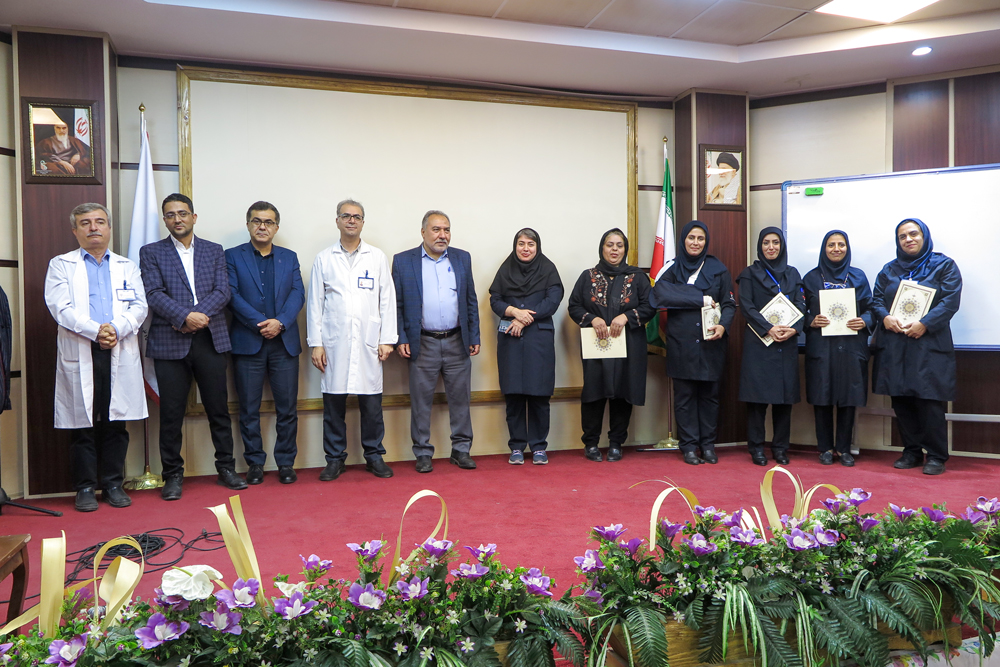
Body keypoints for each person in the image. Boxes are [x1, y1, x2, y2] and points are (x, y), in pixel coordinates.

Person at [141, 193, 247, 501]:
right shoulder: (151, 252)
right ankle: (172, 475)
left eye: (183, 213)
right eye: (171, 214)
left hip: (210, 340)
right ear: (165, 220)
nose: (177, 219)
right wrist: (184, 316)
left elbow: (223, 291)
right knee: (171, 414)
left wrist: (197, 317)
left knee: (218, 409)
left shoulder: (214, 250)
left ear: (193, 217)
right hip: (170, 341)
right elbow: (153, 293)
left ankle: (226, 468)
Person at [44, 203, 147, 511]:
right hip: (82, 349)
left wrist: (115, 329)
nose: (93, 228)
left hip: (118, 348)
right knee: (82, 423)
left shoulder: (127, 266)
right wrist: (96, 331)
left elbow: (139, 306)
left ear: (109, 228)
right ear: (75, 230)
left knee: (116, 421)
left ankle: (113, 483)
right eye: (85, 223)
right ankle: (85, 487)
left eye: (100, 222)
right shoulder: (61, 264)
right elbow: (60, 307)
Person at [307, 199, 397, 481]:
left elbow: (387, 300)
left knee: (371, 405)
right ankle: (335, 459)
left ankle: (374, 456)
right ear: (337, 221)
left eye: (356, 217)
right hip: (334, 343)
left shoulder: (376, 257)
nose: (351, 220)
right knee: (333, 405)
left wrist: (387, 339)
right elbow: (315, 304)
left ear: (362, 222)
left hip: (369, 343)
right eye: (346, 216)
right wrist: (316, 343)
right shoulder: (324, 258)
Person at [391, 210, 480, 473]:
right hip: (422, 342)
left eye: (447, 230)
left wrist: (474, 335)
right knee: (421, 402)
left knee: (461, 400)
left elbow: (470, 300)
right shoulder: (403, 261)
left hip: (457, 340)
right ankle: (422, 452)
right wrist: (401, 337)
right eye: (436, 229)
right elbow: (396, 304)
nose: (443, 235)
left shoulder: (462, 258)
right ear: (423, 232)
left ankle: (461, 450)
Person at [872, 218, 962, 475]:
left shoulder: (944, 265)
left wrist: (925, 324)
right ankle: (911, 451)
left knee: (928, 401)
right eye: (903, 236)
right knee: (901, 400)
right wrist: (884, 317)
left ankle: (936, 456)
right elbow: (876, 300)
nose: (908, 239)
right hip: (895, 345)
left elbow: (950, 301)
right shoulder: (889, 269)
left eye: (913, 234)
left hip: (928, 345)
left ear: (924, 236)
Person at [226, 201, 305, 485]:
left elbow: (297, 293)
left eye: (268, 222)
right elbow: (231, 295)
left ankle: (285, 463)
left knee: (287, 409)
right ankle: (255, 463)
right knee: (249, 409)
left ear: (276, 227)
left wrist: (280, 322)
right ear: (248, 225)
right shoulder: (232, 256)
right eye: (257, 221)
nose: (262, 226)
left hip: (284, 343)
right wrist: (261, 323)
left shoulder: (289, 257)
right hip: (248, 342)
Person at [650, 221, 736, 465]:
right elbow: (660, 294)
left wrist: (724, 325)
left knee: (710, 397)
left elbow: (729, 303)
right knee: (684, 398)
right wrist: (701, 298)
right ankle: (688, 446)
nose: (695, 243)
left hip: (711, 343)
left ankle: (708, 445)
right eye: (691, 238)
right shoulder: (671, 268)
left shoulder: (718, 269)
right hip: (682, 344)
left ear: (706, 242)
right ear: (683, 240)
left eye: (700, 238)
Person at [568, 228, 655, 462]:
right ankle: (591, 443)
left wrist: (626, 317)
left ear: (625, 249)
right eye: (610, 245)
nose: (614, 249)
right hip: (597, 345)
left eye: (619, 245)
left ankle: (616, 443)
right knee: (594, 392)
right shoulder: (587, 276)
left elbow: (650, 306)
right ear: (602, 248)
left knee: (623, 392)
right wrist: (592, 319)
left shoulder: (637, 277)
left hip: (629, 344)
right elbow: (574, 306)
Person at [489, 228, 564, 465]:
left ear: (537, 247)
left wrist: (524, 318)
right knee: (514, 395)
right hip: (510, 339)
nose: (525, 248)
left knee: (539, 394)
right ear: (515, 246)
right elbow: (495, 299)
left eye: (530, 244)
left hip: (539, 340)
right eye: (521, 244)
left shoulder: (548, 269)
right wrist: (513, 311)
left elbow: (553, 301)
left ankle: (539, 447)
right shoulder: (506, 268)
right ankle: (517, 446)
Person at [803, 230, 873, 467]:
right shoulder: (811, 278)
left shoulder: (858, 276)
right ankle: (824, 448)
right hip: (821, 347)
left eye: (841, 244)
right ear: (824, 249)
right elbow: (799, 311)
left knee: (848, 397)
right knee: (822, 396)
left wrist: (864, 320)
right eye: (831, 245)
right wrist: (811, 321)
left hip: (851, 347)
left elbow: (871, 308)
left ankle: (844, 449)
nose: (836, 249)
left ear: (847, 248)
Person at [737, 227, 806, 466]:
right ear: (760, 246)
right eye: (766, 242)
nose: (771, 247)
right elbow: (746, 306)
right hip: (759, 344)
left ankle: (780, 448)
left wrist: (795, 329)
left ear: (782, 246)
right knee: (757, 402)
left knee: (783, 402)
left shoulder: (792, 273)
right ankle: (756, 448)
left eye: (775, 242)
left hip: (786, 344)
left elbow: (801, 305)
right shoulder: (749, 274)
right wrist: (768, 328)